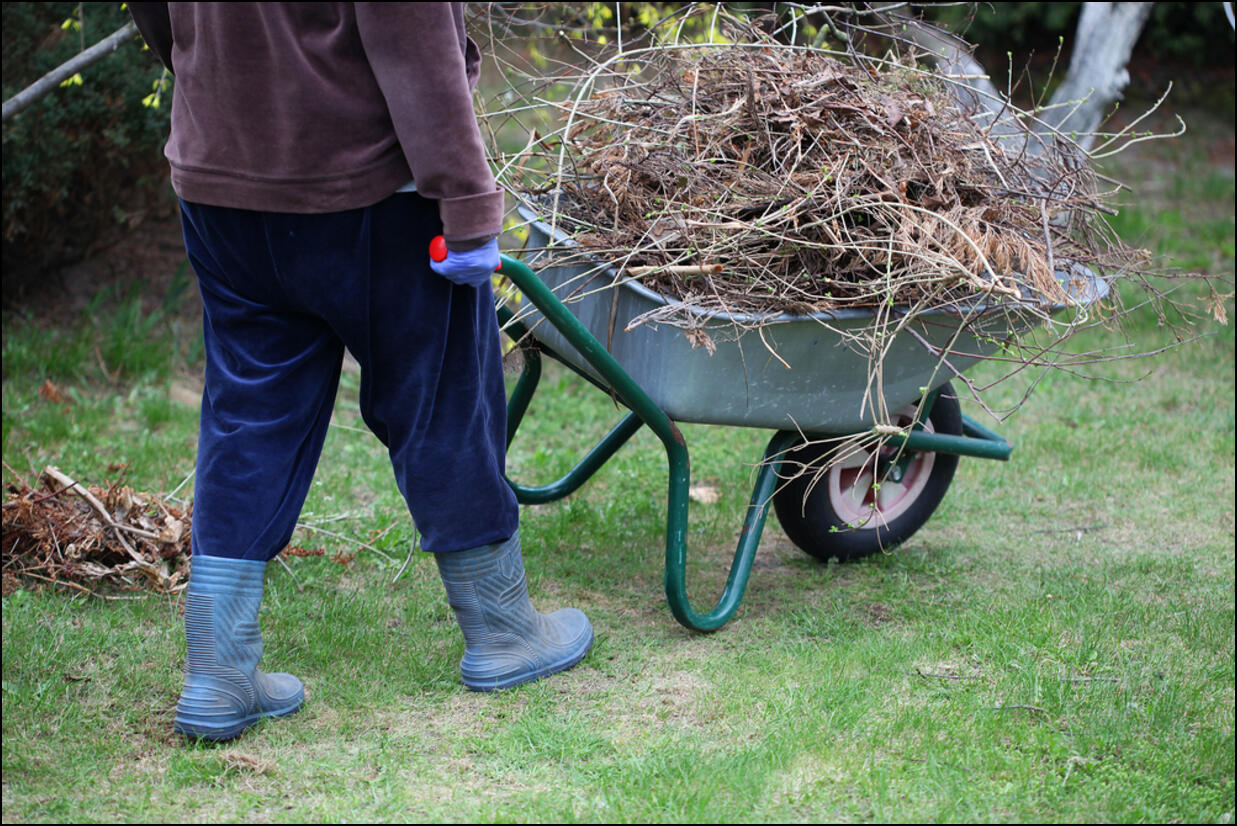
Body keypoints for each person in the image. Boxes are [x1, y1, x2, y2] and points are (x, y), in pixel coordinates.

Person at [127, 2, 593, 742]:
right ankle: (504, 631)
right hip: (366, 188)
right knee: (439, 393)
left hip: (222, 181)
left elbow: (156, 17)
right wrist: (469, 207)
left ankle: (218, 674)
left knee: (249, 411)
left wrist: (228, 97)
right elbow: (416, 47)